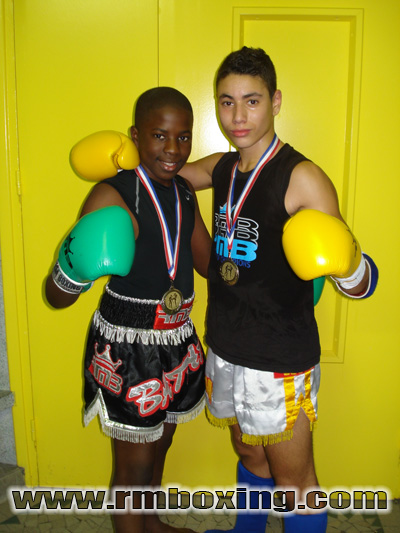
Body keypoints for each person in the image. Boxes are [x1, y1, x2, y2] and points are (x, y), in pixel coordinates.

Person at [181, 47, 378, 533]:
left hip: (281, 356)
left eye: (252, 100)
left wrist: (348, 265)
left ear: (276, 101)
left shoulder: (301, 177)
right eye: (226, 102)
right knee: (248, 446)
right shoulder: (224, 168)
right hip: (226, 342)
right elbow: (174, 175)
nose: (238, 115)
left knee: (295, 480)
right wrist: (132, 162)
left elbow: (360, 282)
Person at [45, 87, 211, 533]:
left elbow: (210, 264)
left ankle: (150, 522)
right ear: (136, 135)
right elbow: (57, 296)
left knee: (162, 443)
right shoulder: (111, 196)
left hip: (177, 337)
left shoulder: (185, 195)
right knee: (133, 467)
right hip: (127, 345)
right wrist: (71, 269)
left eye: (183, 137)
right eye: (159, 135)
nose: (173, 149)